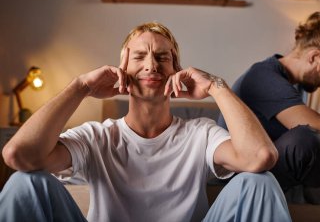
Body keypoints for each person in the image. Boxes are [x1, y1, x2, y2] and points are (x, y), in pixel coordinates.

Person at [0, 22, 292, 222]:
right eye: (139, 56)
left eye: (162, 57)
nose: (151, 65)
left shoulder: (200, 132)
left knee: (259, 183)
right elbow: (18, 155)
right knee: (25, 182)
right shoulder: (96, 137)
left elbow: (261, 157)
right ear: (122, 70)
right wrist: (80, 87)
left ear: (176, 69)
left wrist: (217, 86)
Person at [218, 11, 320, 205]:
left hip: (273, 156)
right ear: (315, 57)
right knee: (304, 139)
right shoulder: (264, 77)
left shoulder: (295, 83)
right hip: (245, 169)